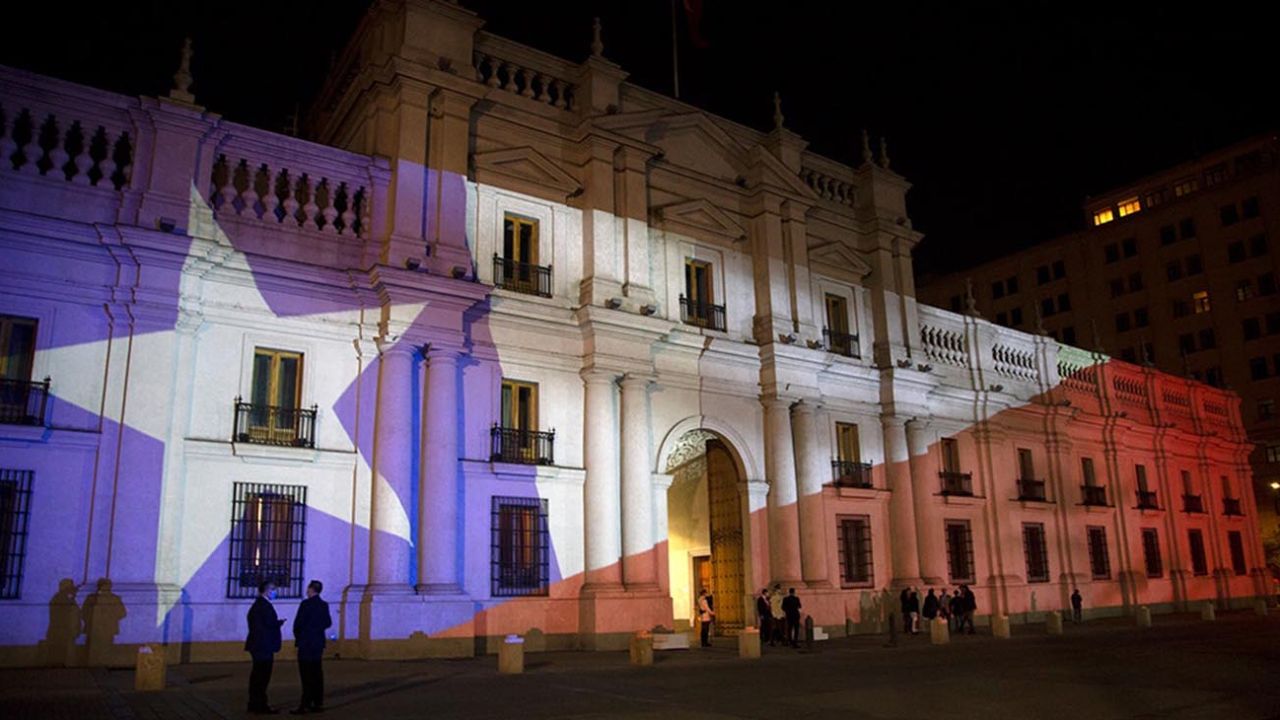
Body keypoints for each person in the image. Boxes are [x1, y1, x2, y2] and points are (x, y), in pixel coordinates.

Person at [291, 580, 332, 715]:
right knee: (317, 673)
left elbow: (298, 624)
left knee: (306, 674)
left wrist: (300, 636)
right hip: (318, 643)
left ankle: (305, 703)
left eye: (308, 589)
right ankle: (317, 702)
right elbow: (328, 622)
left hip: (306, 643)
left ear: (311, 589)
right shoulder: (323, 605)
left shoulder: (305, 604)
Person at [245, 580, 285, 715]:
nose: (275, 592)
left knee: (258, 676)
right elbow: (264, 626)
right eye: (273, 589)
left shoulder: (259, 605)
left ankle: (254, 703)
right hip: (263, 646)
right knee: (262, 677)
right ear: (266, 590)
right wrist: (276, 624)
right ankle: (260, 704)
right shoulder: (263, 606)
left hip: (259, 645)